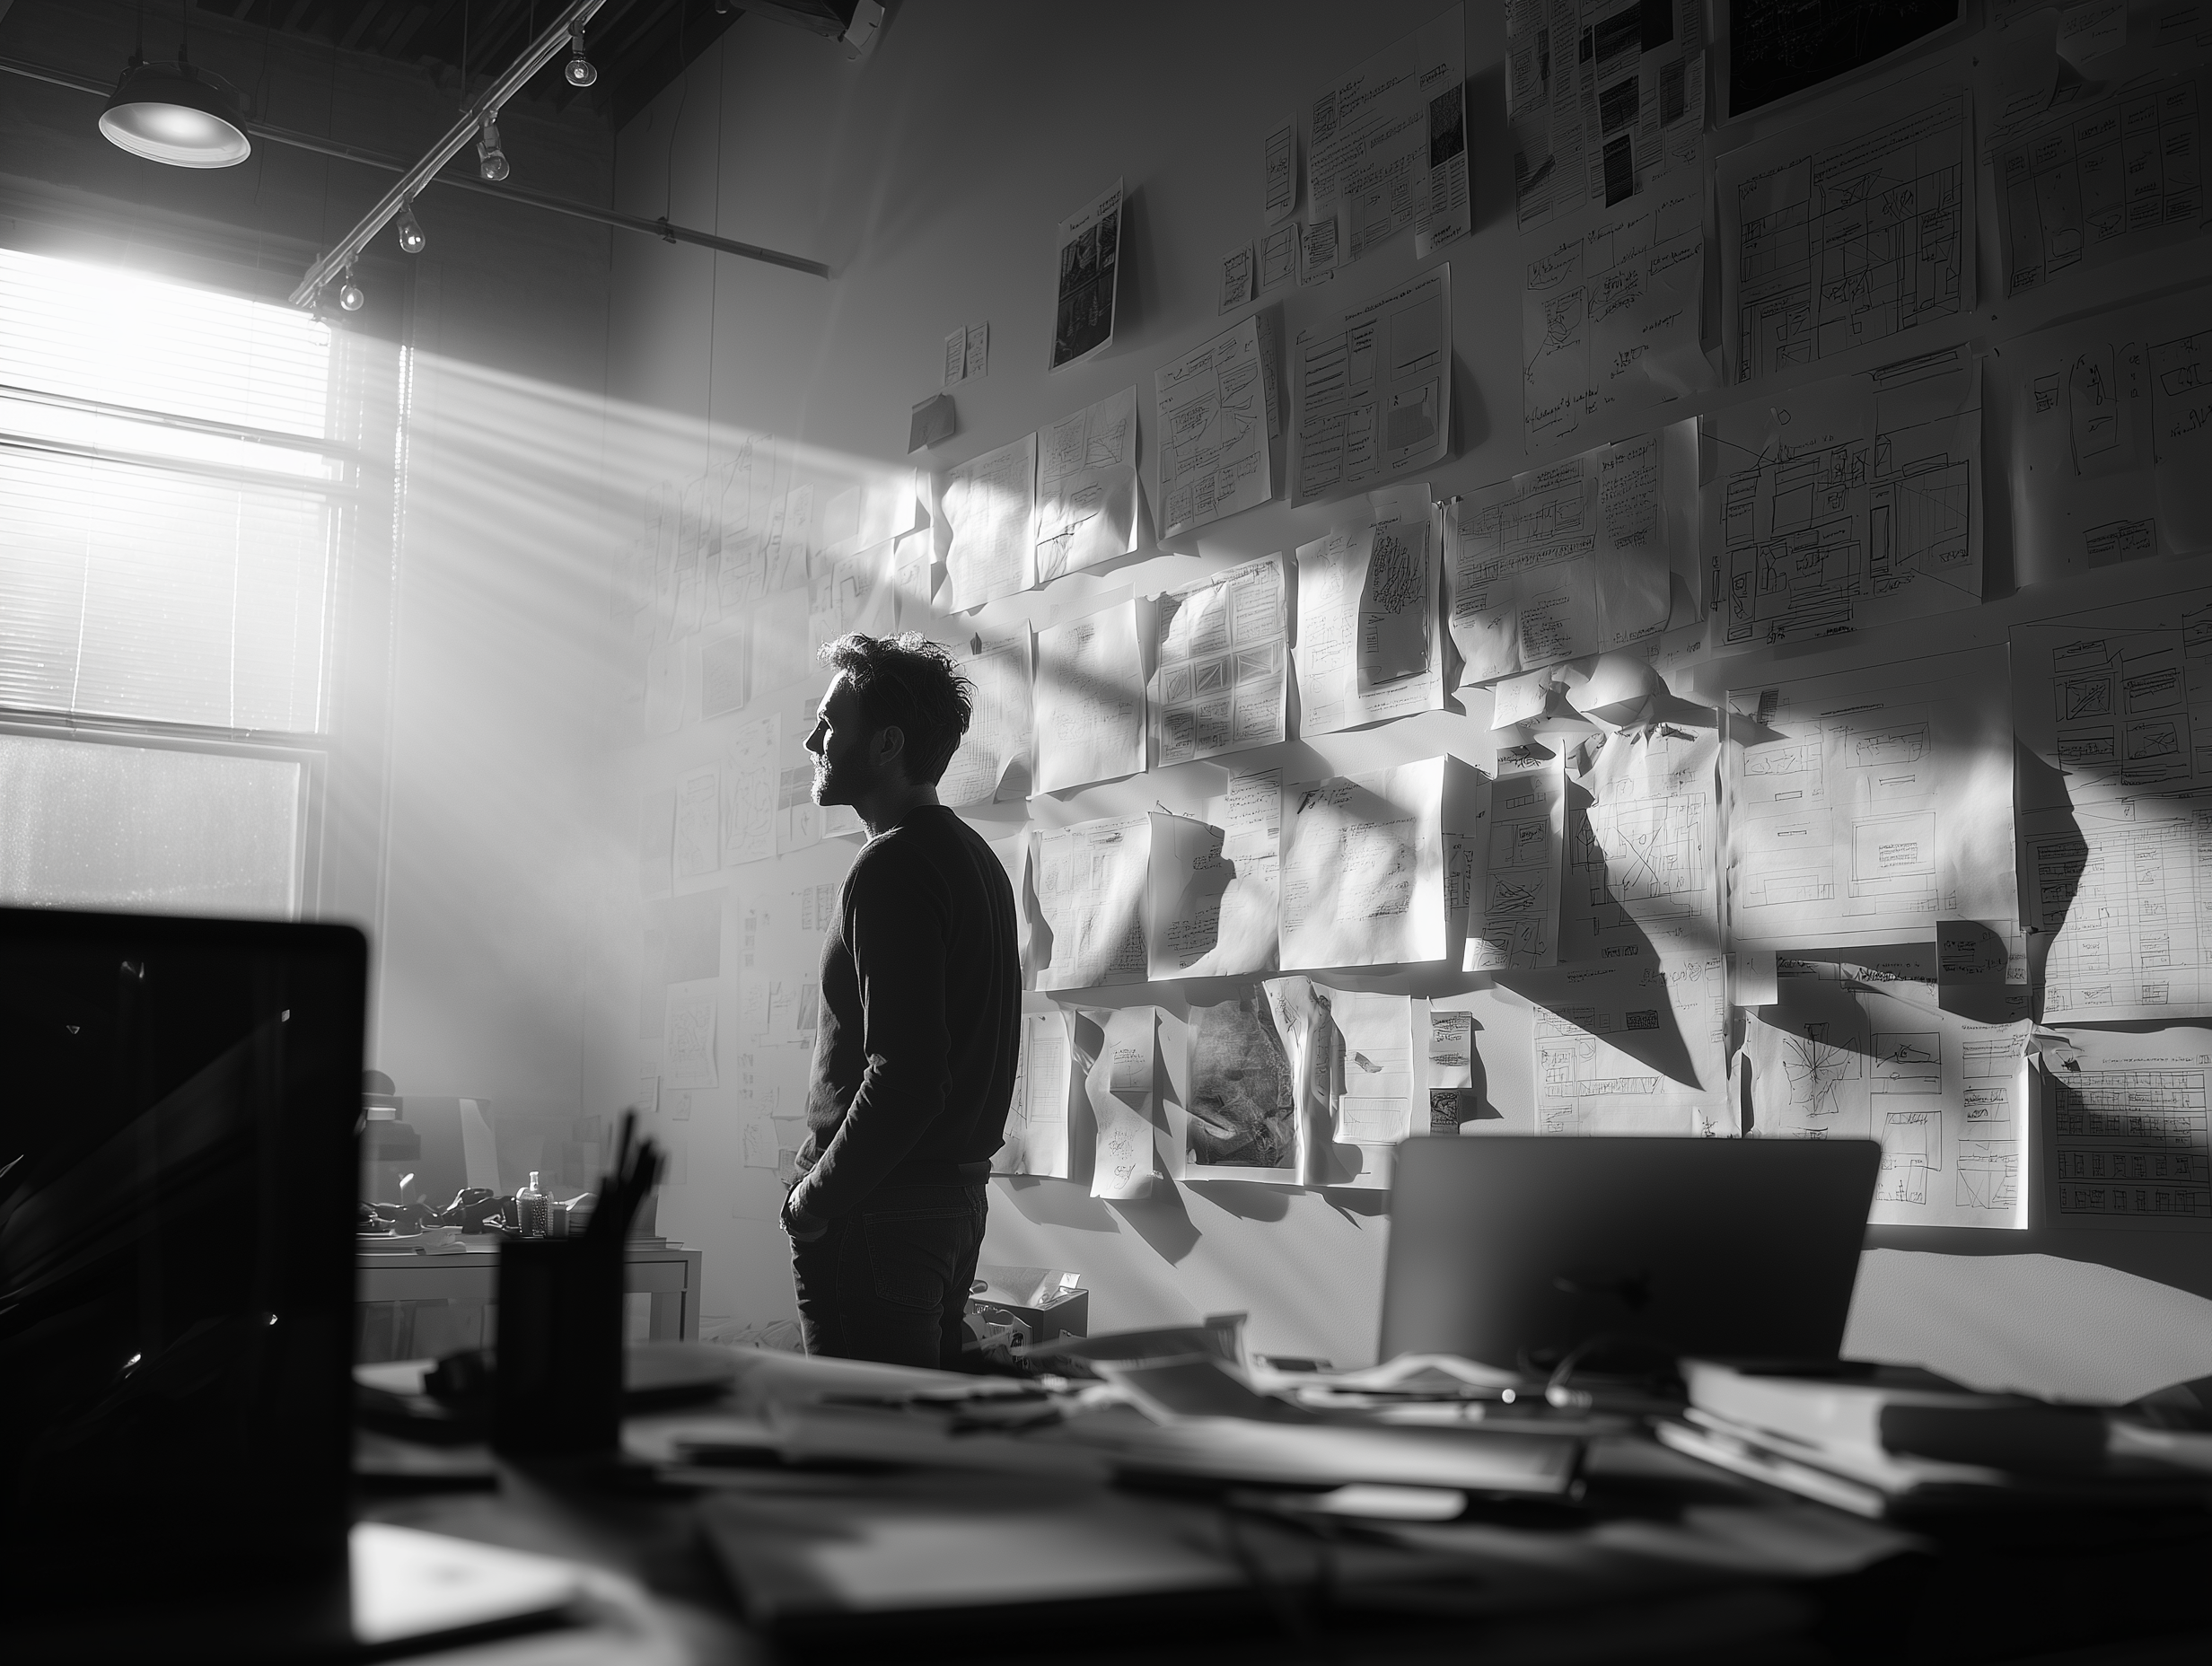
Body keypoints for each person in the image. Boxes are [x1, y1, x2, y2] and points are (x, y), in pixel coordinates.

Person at [779, 632, 1022, 1368]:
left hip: (879, 1212)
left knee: (861, 1455)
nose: (811, 738)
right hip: (950, 1205)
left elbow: (907, 1075)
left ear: (885, 744)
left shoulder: (889, 867)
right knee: (910, 1450)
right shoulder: (975, 860)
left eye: (829, 723)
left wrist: (813, 1203)